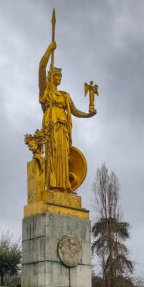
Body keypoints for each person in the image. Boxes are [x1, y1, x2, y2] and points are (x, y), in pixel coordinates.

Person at [38, 41, 95, 191]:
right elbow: (42, 67)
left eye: (61, 76)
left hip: (63, 129)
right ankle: (53, 185)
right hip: (51, 127)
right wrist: (49, 50)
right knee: (53, 154)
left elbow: (75, 111)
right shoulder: (46, 92)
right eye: (58, 76)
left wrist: (89, 114)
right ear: (51, 77)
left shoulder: (65, 96)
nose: (60, 78)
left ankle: (63, 185)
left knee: (63, 156)